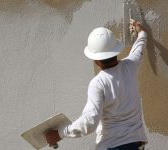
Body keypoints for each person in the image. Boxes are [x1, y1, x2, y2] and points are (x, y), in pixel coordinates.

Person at [46, 19, 148, 150]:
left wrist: (60, 133)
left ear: (95, 60)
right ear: (116, 51)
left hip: (113, 146)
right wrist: (142, 32)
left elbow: (90, 122)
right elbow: (138, 50)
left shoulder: (98, 83)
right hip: (137, 143)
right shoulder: (131, 66)